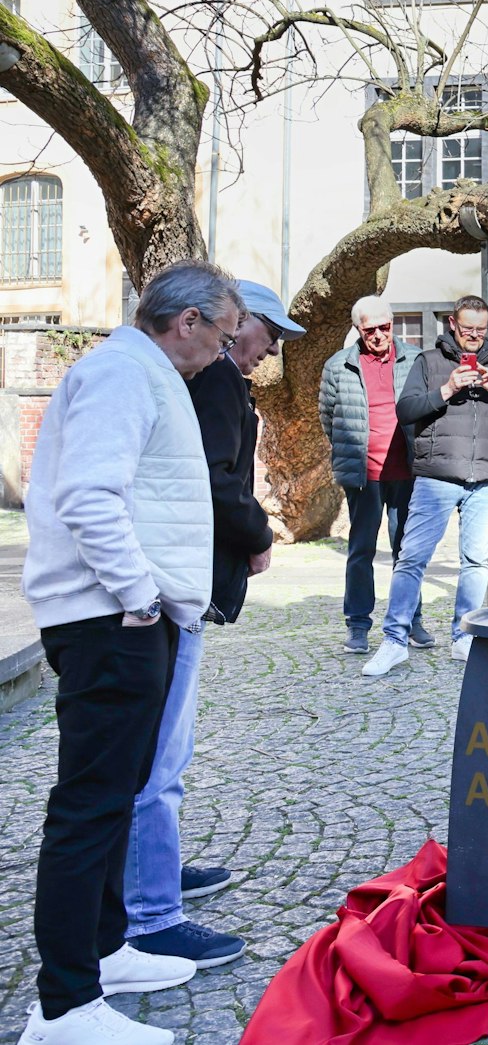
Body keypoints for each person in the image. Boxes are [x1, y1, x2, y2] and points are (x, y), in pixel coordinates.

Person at [19, 260, 243, 1045]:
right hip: (110, 620)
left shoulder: (141, 371)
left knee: (114, 798)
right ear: (187, 321)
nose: (223, 351)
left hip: (123, 616)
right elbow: (89, 495)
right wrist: (141, 597)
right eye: (222, 335)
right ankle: (64, 1005)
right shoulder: (122, 372)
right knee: (89, 806)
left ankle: (107, 949)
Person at [116, 280, 297, 981]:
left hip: (170, 585)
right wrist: (258, 532)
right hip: (167, 588)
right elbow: (212, 482)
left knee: (162, 755)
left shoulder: (204, 378)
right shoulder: (214, 379)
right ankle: (150, 911)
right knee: (160, 758)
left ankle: (154, 872)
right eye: (262, 336)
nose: (267, 351)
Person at [363, 295, 488, 676]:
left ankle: (464, 636)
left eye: (481, 329)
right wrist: (447, 389)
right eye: (467, 328)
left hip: (486, 477)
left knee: (475, 561)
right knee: (412, 558)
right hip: (437, 474)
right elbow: (405, 410)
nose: (474, 335)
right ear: (452, 324)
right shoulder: (428, 362)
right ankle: (394, 640)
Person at [320, 295, 434, 654]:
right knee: (361, 550)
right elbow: (329, 417)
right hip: (364, 475)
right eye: (370, 330)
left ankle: (411, 620)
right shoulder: (338, 366)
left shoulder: (416, 359)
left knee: (407, 550)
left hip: (407, 471)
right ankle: (357, 625)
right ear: (358, 329)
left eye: (384, 327)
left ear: (393, 324)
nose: (379, 335)